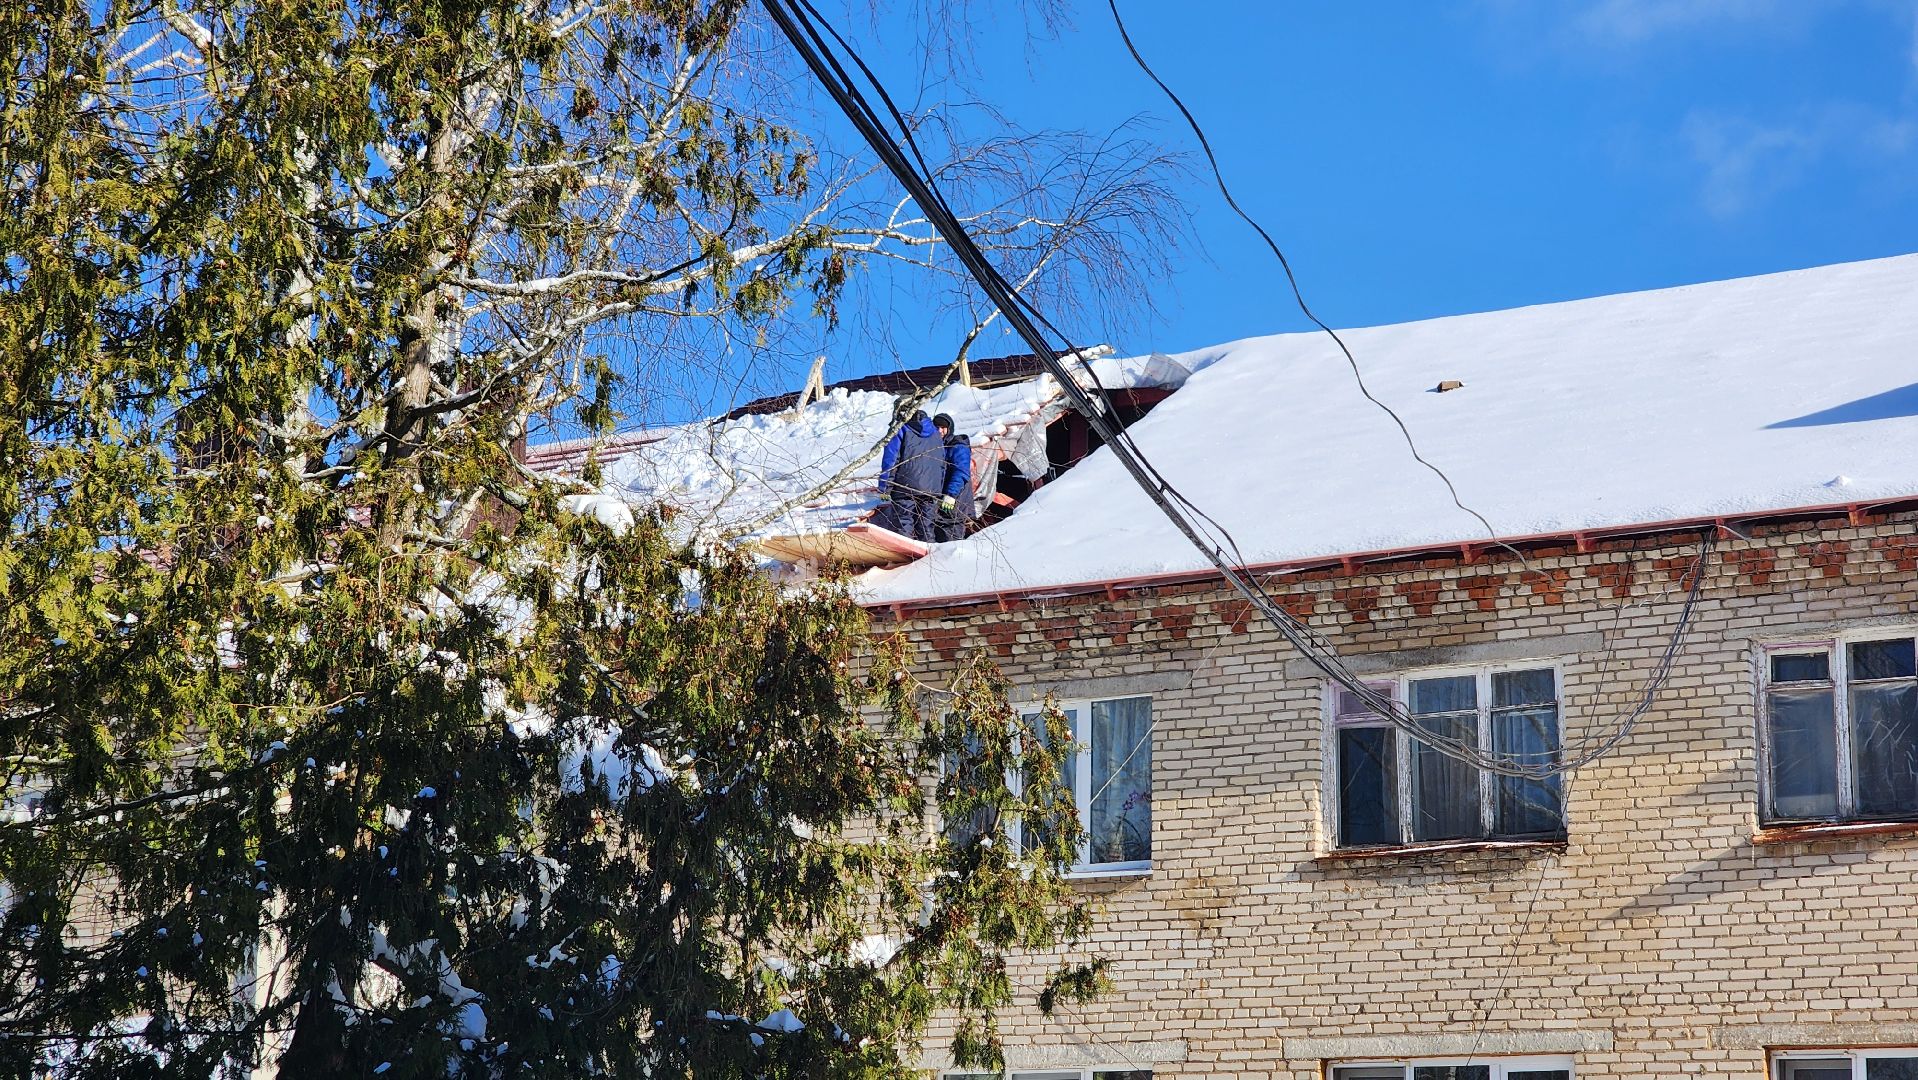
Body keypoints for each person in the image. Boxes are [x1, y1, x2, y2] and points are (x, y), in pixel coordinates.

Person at [874, 407, 944, 541]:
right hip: (931, 488)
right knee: (926, 527)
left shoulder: (901, 429)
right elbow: (942, 462)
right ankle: (930, 557)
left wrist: (884, 487)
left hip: (905, 486)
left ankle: (908, 558)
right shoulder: (935, 433)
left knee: (904, 524)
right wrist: (938, 489)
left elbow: (892, 459)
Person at [932, 412, 973, 543]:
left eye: (943, 428)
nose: (940, 431)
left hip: (954, 500)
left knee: (952, 541)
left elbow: (960, 472)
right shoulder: (934, 446)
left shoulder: (957, 446)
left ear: (950, 429)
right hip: (940, 501)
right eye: (937, 427)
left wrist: (951, 495)